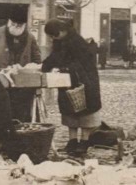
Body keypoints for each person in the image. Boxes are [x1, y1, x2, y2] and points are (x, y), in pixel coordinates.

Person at [42, 19, 102, 156]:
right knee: (69, 111)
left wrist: (67, 68)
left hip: (85, 80)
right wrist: (44, 66)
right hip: (67, 80)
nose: (52, 38)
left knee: (85, 110)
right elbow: (54, 57)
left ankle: (84, 141)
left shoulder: (78, 42)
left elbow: (84, 62)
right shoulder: (59, 41)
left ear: (62, 31)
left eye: (53, 35)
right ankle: (72, 141)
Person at [0, 8, 41, 122]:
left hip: (23, 86)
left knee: (22, 116)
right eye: (13, 24)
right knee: (1, 114)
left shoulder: (30, 38)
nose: (16, 27)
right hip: (0, 82)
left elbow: (37, 60)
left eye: (19, 25)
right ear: (9, 22)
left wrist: (30, 69)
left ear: (24, 25)